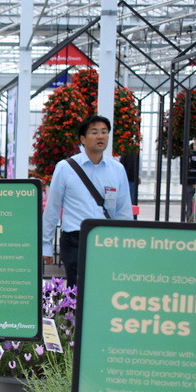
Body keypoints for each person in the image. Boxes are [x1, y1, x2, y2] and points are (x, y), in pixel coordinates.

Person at [42, 114, 133, 288]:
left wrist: (125, 243)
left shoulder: (117, 169)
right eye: (94, 132)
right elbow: (53, 208)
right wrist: (46, 245)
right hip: (75, 239)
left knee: (104, 287)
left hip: (107, 239)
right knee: (77, 290)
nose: (100, 136)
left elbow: (123, 211)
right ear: (83, 139)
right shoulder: (65, 168)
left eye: (104, 132)